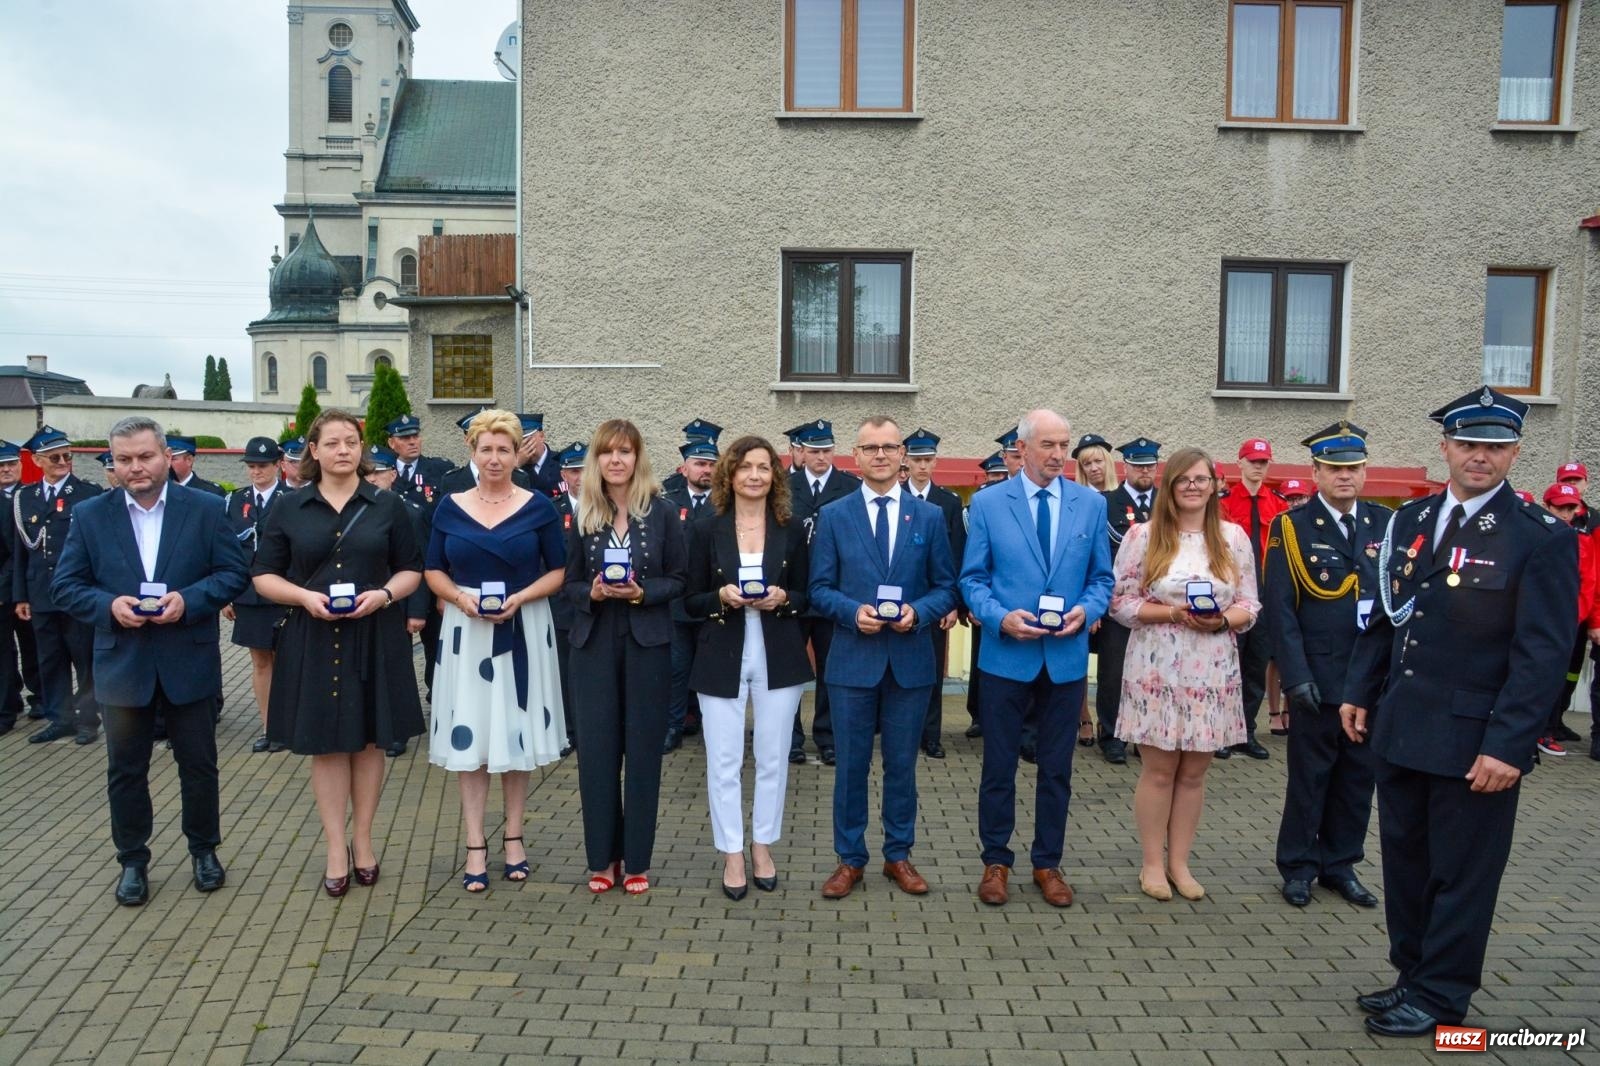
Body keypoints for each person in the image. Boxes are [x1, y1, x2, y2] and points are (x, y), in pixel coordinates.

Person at [1339, 386, 1577, 1037]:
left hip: (1476, 742)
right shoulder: (1411, 521)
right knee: (1408, 862)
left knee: (1462, 875)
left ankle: (1443, 996)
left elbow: (1542, 655)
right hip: (1404, 725)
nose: (1480, 456)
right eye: (1468, 443)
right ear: (1444, 446)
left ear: (1515, 452)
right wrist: (1361, 690)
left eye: (1495, 446)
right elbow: (1388, 619)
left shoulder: (1540, 538)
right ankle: (1411, 973)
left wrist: (1509, 745)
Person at [51, 416, 250, 906]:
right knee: (125, 770)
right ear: (112, 465)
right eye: (124, 460)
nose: (135, 468)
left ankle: (204, 851)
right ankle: (133, 861)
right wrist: (109, 607)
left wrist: (191, 599)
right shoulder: (91, 515)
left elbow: (233, 572)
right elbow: (66, 585)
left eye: (144, 456)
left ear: (165, 456)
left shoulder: (204, 508)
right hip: (122, 665)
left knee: (199, 766)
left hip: (188, 660)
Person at [251, 410, 425, 897]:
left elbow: (412, 567)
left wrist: (386, 595)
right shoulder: (288, 507)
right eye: (332, 442)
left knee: (370, 741)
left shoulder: (387, 505)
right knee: (326, 744)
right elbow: (263, 573)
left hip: (375, 633)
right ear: (314, 450)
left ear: (361, 449)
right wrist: (305, 598)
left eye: (351, 441)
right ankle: (334, 846)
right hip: (314, 634)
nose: (343, 450)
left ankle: (364, 840)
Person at [961, 409, 1114, 907]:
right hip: (1007, 656)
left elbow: (1102, 579)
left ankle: (1048, 863)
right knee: (999, 767)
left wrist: (1087, 610)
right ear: (1021, 449)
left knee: (1057, 769)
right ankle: (996, 861)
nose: (1058, 455)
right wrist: (998, 617)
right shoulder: (987, 503)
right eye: (1048, 445)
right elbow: (972, 579)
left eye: (1064, 445)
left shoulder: (1090, 505)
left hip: (1064, 660)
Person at [809, 416, 957, 900]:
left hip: (909, 661)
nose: (880, 455)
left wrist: (918, 612)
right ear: (856, 455)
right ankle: (849, 859)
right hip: (853, 660)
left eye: (889, 447)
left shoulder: (930, 517)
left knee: (901, 767)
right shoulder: (834, 515)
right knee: (850, 766)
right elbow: (819, 590)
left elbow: (946, 587)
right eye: (870, 448)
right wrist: (854, 613)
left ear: (903, 456)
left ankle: (899, 855)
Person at [424, 410, 567, 891]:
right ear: (473, 452)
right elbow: (432, 570)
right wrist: (460, 598)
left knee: (514, 735)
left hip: (522, 627)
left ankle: (513, 838)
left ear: (517, 454)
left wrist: (522, 598)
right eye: (486, 448)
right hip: (468, 634)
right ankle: (474, 845)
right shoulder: (450, 506)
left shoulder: (538, 506)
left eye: (504, 449)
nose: (494, 457)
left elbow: (558, 570)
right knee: (475, 742)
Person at [1109, 447, 1259, 901]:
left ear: (1214, 484)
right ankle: (1152, 863)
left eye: (1202, 478)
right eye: (1183, 479)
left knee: (1194, 772)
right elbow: (1121, 603)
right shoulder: (1144, 536)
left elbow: (1250, 605)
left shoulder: (1233, 539)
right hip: (1156, 664)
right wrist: (1172, 612)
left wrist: (1221, 621)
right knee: (1159, 770)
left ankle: (1180, 863)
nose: (1193, 486)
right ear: (1169, 486)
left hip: (1211, 666)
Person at [1263, 423, 1389, 910]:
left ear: (1364, 472)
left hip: (1370, 680)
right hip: (1317, 677)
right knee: (1310, 778)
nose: (1345, 477)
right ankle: (1297, 866)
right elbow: (1281, 609)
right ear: (1315, 472)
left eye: (1353, 468)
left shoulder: (1384, 524)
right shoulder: (1291, 527)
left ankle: (1340, 864)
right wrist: (1294, 676)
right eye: (1334, 469)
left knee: (1358, 780)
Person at [684, 435, 812, 899]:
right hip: (722, 648)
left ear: (775, 476)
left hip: (778, 649)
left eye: (763, 467)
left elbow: (806, 595)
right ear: (729, 475)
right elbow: (687, 600)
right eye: (745, 467)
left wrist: (783, 598)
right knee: (724, 760)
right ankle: (731, 853)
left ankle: (762, 846)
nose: (755, 475)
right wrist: (718, 596)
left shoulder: (793, 529)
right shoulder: (704, 530)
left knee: (773, 757)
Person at [564, 418, 686, 895]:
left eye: (625, 452)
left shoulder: (662, 513)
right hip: (593, 643)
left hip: (647, 643)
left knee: (641, 756)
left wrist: (641, 593)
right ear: (596, 460)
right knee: (596, 754)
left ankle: (636, 860)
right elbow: (568, 583)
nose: (616, 460)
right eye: (607, 452)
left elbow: (678, 579)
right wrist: (590, 592)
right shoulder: (581, 514)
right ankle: (602, 858)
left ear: (638, 458)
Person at [14, 425, 104, 745]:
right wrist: (20, 595)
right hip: (40, 592)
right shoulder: (25, 497)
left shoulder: (88, 493)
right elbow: (21, 551)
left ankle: (87, 720)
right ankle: (59, 718)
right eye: (55, 457)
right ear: (38, 460)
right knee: (49, 659)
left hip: (78, 592)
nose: (64, 461)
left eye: (68, 455)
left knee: (84, 659)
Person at [787, 418, 861, 765]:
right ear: (800, 452)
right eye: (814, 451)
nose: (821, 457)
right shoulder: (785, 487)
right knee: (789, 670)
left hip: (833, 593)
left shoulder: (849, 487)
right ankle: (790, 738)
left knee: (833, 670)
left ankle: (828, 737)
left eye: (827, 451)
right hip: (793, 592)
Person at [223, 436, 293, 753]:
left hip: (284, 593)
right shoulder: (235, 501)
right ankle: (268, 726)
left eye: (262, 466)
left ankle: (290, 724)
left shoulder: (293, 499)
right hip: (249, 595)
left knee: (288, 660)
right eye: (251, 466)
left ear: (278, 464)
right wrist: (227, 595)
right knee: (260, 661)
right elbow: (226, 551)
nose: (256, 472)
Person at [1218, 438, 1286, 758]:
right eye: (1253, 461)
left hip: (1265, 595)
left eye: (1264, 462)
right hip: (1232, 594)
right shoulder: (1225, 502)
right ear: (1240, 463)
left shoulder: (1278, 504)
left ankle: (1245, 732)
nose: (1259, 467)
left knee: (1256, 667)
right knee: (1227, 666)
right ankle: (1220, 733)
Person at [364, 447, 433, 755]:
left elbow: (417, 564)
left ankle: (397, 732)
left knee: (398, 667)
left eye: (380, 473)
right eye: (369, 473)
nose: (374, 479)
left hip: (400, 602)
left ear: (393, 475)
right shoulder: (360, 509)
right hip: (368, 604)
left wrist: (417, 611)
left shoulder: (408, 511)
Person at [1095, 437, 1160, 764]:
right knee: (1114, 672)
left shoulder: (1168, 503)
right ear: (1125, 467)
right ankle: (1111, 736)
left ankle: (1145, 735)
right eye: (1138, 464)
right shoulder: (1107, 504)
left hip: (1160, 606)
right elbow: (1098, 555)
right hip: (1119, 603)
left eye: (1150, 464)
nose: (1145, 470)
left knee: (1153, 672)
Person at [902, 428, 966, 759]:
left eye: (928, 460)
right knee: (901, 671)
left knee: (933, 671)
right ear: (906, 461)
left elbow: (955, 555)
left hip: (937, 600)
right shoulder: (896, 497)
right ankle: (903, 733)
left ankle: (932, 735)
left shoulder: (948, 503)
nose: (923, 467)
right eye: (917, 460)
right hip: (903, 599)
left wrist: (952, 603)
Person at [662, 422, 720, 751]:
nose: (706, 470)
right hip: (678, 600)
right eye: (700, 464)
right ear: (684, 468)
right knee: (677, 667)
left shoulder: (727, 504)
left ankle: (712, 730)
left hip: (714, 599)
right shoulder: (668, 502)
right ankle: (672, 726)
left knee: (711, 669)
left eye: (712, 464)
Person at [1535, 480, 1595, 758]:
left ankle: (1549, 728)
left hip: (1570, 622)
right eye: (1560, 507)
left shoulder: (1584, 539)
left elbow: (1590, 583)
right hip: (1540, 620)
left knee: (1560, 676)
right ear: (1547, 506)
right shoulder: (1534, 534)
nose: (1566, 513)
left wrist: (1584, 620)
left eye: (1571, 508)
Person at [1070, 433, 1119, 747]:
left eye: (1098, 460)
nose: (1093, 468)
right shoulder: (1077, 501)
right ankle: (1083, 717)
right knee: (1079, 661)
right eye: (1087, 463)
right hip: (1087, 593)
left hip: (1122, 596)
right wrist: (1092, 605)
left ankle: (1110, 721)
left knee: (1114, 667)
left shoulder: (1121, 499)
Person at [0, 441, 42, 735]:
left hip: (28, 587)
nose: (6, 470)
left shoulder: (31, 496)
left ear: (20, 465)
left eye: (11, 464)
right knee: (4, 653)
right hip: (2, 590)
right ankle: (9, 703)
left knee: (34, 646)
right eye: (1, 467)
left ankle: (41, 697)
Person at [550, 441, 587, 755]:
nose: (581, 477)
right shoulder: (553, 511)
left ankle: (593, 729)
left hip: (595, 603)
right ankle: (569, 731)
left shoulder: (608, 509)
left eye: (586, 470)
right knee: (564, 672)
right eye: (574, 470)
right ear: (564, 474)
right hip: (562, 606)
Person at [386, 413, 451, 510]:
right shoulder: (384, 471)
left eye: (415, 436)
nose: (412, 442)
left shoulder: (440, 469)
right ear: (391, 443)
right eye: (405, 438)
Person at [514, 412, 563, 498]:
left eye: (528, 439)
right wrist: (516, 465)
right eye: (519, 440)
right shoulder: (512, 467)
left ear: (541, 436)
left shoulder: (560, 462)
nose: (523, 444)